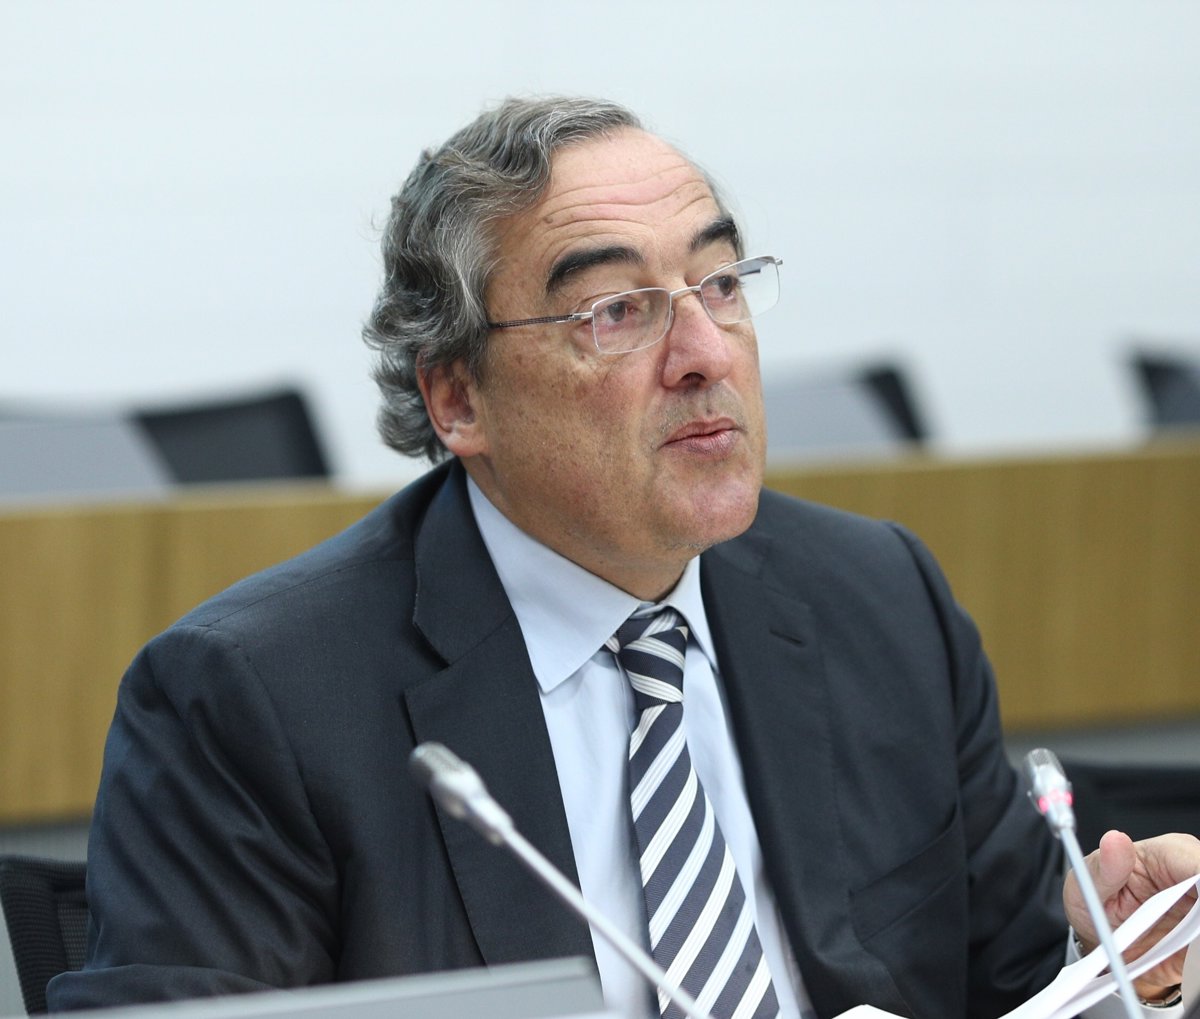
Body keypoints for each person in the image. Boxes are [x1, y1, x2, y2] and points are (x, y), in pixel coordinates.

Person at [48, 96, 1198, 1019]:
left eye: (720, 283)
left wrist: (1118, 957)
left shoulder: (877, 596)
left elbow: (1005, 969)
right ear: (457, 397)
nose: (704, 352)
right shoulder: (254, 698)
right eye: (613, 310)